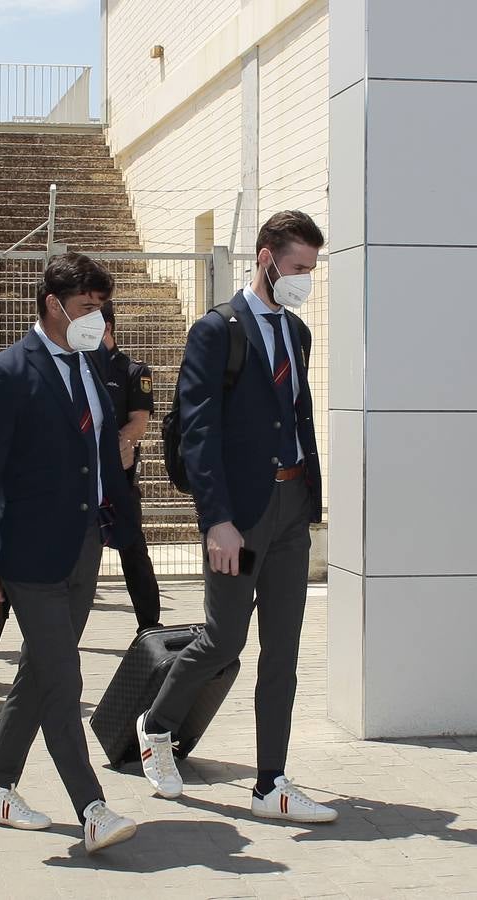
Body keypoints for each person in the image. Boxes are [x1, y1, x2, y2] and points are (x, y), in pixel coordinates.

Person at [135, 210, 336, 824]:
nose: (304, 280)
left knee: (284, 650)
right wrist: (214, 519)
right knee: (223, 639)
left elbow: (292, 417)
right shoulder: (216, 331)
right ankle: (157, 726)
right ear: (266, 256)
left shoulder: (296, 335)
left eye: (312, 270)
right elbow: (199, 431)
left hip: (291, 505)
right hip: (240, 517)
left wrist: (309, 498)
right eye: (298, 268)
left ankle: (270, 782)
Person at [0, 253, 140, 853]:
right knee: (64, 679)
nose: (98, 318)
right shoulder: (8, 372)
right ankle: (92, 807)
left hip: (82, 547)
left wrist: (121, 526)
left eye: (101, 308)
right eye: (88, 308)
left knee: (39, 676)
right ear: (53, 306)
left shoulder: (91, 367)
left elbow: (102, 456)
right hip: (29, 557)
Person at [92, 301, 162, 633]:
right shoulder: (81, 366)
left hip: (119, 480)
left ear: (106, 326)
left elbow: (138, 423)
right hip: (84, 482)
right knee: (81, 557)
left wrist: (113, 448)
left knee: (133, 551)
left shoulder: (133, 371)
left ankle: (149, 624)